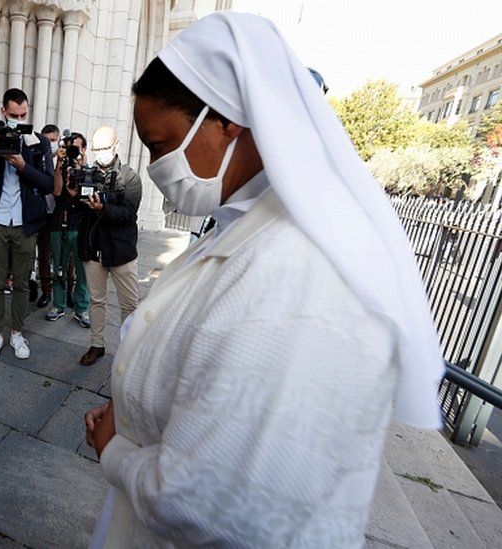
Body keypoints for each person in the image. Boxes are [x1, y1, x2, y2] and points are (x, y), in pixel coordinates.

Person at [84, 13, 444, 547]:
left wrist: (117, 450)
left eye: (162, 144)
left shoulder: (302, 275)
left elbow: (224, 506)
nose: (158, 165)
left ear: (229, 119)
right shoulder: (246, 220)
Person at [0, 88, 54, 361]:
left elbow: (48, 184)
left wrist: (23, 165)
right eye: (13, 115)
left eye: (23, 115)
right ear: (3, 112)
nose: (18, 121)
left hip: (25, 223)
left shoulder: (39, 142)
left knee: (21, 283)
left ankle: (17, 333)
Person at [68, 126, 142, 366]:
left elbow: (128, 214)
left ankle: (130, 352)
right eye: (97, 148)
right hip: (93, 248)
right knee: (96, 301)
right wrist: (74, 194)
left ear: (116, 145)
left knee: (130, 304)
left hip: (122, 251)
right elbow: (76, 208)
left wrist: (102, 207)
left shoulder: (129, 177)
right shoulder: (85, 174)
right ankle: (97, 345)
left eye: (105, 147)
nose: (101, 153)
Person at [45, 132, 90, 328]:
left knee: (82, 270)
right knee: (59, 268)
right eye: (70, 148)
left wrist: (81, 169)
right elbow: (57, 192)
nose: (73, 152)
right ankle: (59, 305)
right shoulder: (61, 168)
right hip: (59, 223)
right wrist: (59, 165)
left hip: (80, 225)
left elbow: (84, 196)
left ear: (84, 150)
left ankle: (81, 309)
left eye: (77, 149)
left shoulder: (89, 172)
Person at [35, 123, 61, 309]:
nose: (50, 144)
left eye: (53, 140)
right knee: (37, 254)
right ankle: (40, 289)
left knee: (54, 255)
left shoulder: (63, 161)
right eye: (47, 140)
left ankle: (55, 291)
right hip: (38, 214)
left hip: (56, 216)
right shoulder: (37, 158)